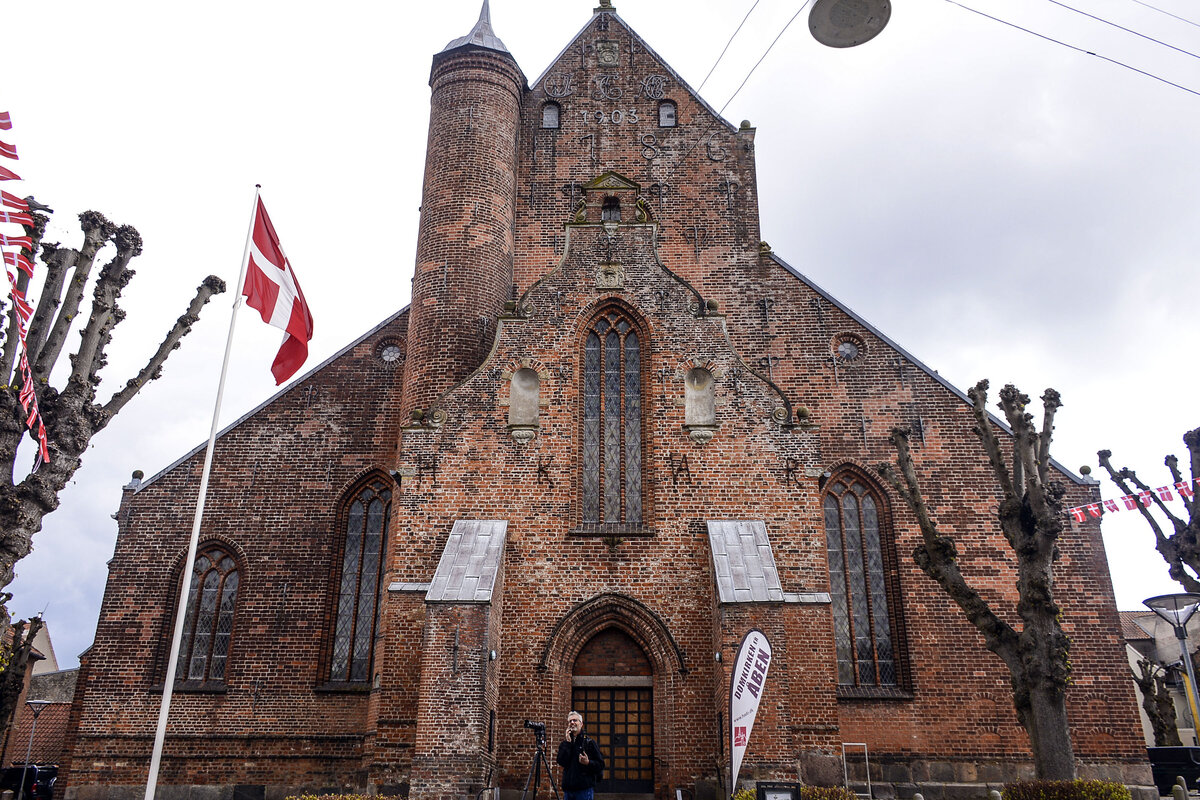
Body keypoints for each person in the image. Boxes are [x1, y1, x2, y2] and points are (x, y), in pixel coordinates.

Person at [556, 710, 604, 800]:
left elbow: (600, 764)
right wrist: (568, 743)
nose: (572, 723)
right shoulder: (565, 743)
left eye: (575, 720)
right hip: (568, 790)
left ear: (581, 724)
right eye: (570, 721)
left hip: (584, 790)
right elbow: (561, 761)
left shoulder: (589, 743)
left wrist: (588, 762)